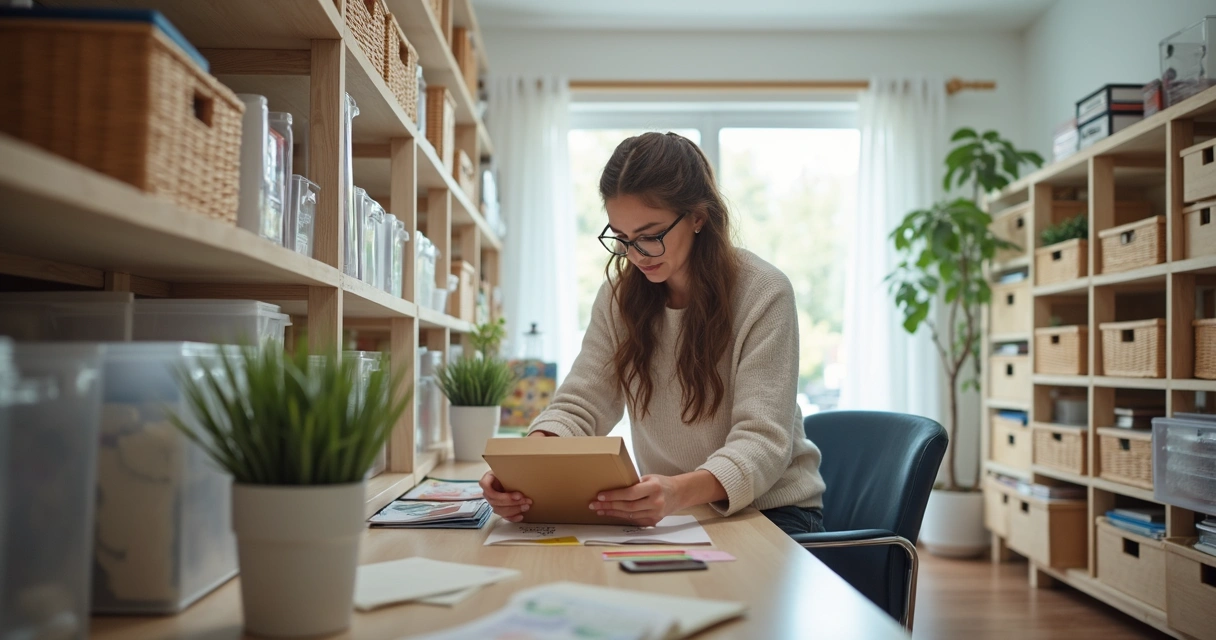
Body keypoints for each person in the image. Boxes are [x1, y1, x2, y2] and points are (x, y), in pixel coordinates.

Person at [478, 131, 826, 536]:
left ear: (698, 216)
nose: (637, 255)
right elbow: (581, 404)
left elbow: (763, 443)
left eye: (650, 235)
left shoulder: (764, 292)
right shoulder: (618, 299)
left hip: (772, 511)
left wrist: (677, 492)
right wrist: (525, 466)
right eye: (622, 239)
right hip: (676, 512)